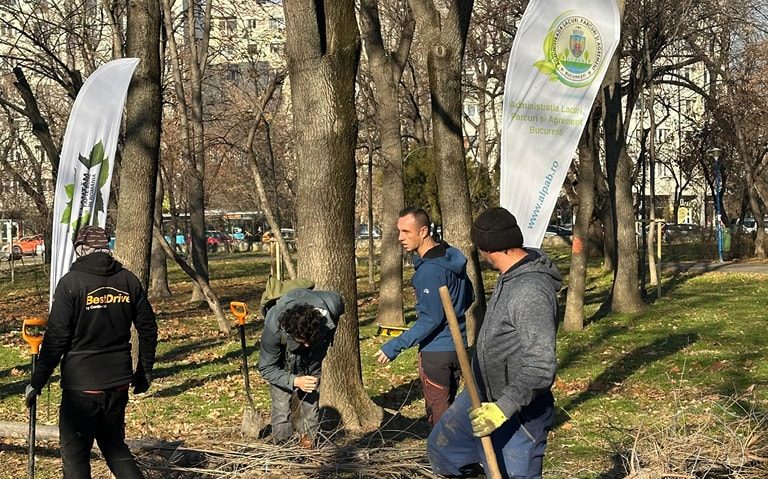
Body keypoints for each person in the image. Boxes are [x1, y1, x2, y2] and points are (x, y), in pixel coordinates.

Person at [427, 207, 562, 478]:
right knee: (444, 449)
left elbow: (541, 366)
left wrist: (503, 409)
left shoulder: (529, 291)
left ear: (486, 249)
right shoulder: (510, 274)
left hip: (519, 410)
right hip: (481, 395)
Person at [24, 225, 158, 479]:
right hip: (117, 384)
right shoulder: (127, 280)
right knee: (114, 446)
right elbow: (148, 328)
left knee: (75, 458)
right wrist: (143, 371)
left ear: (80, 249)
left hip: (81, 388)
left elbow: (56, 339)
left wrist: (36, 382)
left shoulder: (71, 284)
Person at [374, 207, 474, 427]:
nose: (400, 237)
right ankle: (459, 457)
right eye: (399, 231)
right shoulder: (450, 258)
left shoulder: (430, 271)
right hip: (457, 348)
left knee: (439, 420)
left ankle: (447, 460)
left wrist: (395, 346)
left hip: (436, 353)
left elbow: (430, 319)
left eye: (406, 232)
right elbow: (470, 296)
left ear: (424, 231)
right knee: (451, 413)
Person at [257, 276, 344, 447]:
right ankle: (283, 447)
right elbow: (266, 368)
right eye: (301, 340)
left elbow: (339, 304)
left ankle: (309, 442)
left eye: (308, 340)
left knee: (311, 401)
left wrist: (322, 341)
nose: (305, 344)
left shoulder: (331, 307)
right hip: (283, 359)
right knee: (282, 405)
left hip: (314, 355)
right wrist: (294, 380)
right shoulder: (273, 327)